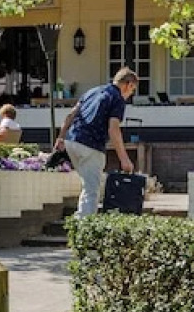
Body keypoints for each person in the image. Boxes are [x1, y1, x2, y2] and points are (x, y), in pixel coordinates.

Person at [58, 69, 138, 217]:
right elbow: (113, 129)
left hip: (72, 140)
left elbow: (71, 114)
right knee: (92, 190)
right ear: (128, 85)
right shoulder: (117, 98)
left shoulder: (92, 91)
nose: (130, 95)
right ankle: (83, 229)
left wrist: (60, 137)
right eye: (132, 90)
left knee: (87, 185)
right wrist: (124, 159)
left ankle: (79, 222)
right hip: (92, 146)